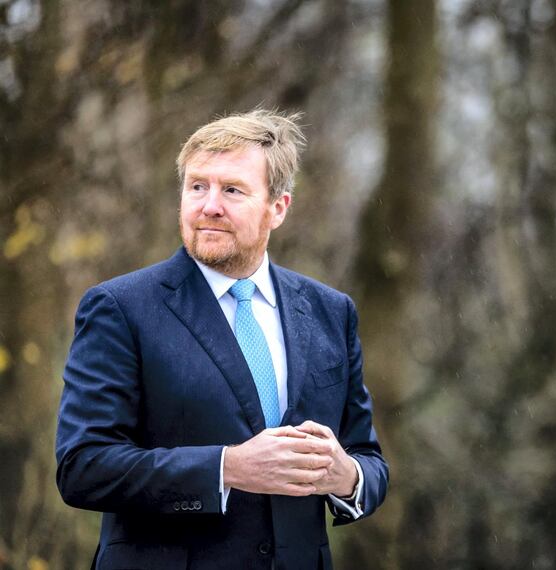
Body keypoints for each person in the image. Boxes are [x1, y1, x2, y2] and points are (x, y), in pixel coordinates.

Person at [55, 109, 388, 570]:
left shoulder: (332, 312)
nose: (209, 205)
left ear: (278, 208)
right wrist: (226, 468)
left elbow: (370, 462)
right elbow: (83, 467)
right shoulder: (120, 308)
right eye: (197, 186)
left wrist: (344, 475)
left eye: (232, 189)